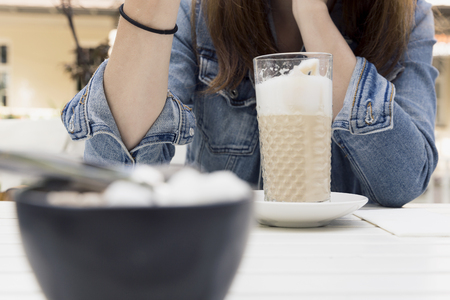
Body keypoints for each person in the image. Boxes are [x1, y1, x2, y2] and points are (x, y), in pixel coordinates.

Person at [61, 0, 438, 207]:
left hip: (355, 261)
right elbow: (112, 175)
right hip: (222, 251)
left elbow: (403, 181)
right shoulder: (197, 10)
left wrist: (311, 14)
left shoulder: (407, 14)